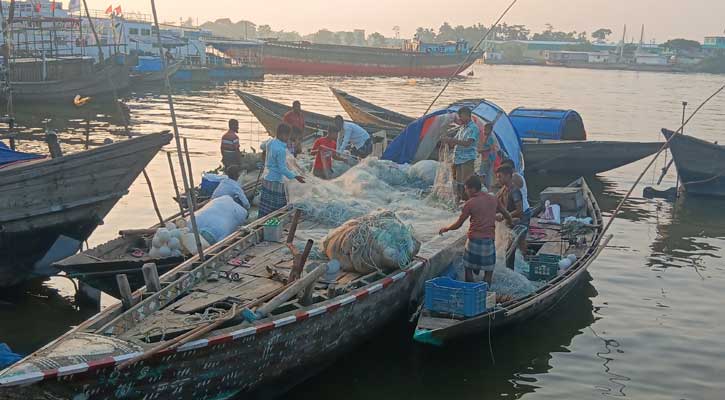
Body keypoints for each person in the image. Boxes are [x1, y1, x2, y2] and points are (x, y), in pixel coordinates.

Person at [439, 175, 512, 284]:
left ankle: (471, 293)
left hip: (473, 241)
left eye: (466, 189)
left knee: (468, 269)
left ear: (472, 189)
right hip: (488, 242)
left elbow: (458, 224)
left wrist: (446, 228)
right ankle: (486, 295)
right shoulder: (493, 199)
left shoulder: (469, 204)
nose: (466, 192)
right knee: (488, 272)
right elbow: (506, 214)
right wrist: (509, 223)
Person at [258, 124, 305, 218]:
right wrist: (295, 176)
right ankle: (276, 221)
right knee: (278, 205)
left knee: (266, 205)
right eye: (287, 136)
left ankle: (262, 221)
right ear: (282, 134)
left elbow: (265, 148)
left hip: (267, 178)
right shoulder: (281, 150)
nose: (288, 138)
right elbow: (282, 168)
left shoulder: (271, 142)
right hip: (276, 181)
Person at [440, 107, 479, 202]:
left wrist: (452, 140)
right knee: (458, 182)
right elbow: (455, 141)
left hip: (467, 159)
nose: (460, 119)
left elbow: (467, 143)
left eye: (461, 117)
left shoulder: (473, 128)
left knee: (467, 183)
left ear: (467, 115)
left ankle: (470, 202)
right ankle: (458, 201)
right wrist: (447, 140)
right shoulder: (462, 128)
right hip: (458, 158)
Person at [496, 163, 530, 255]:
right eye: (497, 177)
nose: (497, 179)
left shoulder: (514, 190)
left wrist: (504, 216)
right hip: (510, 219)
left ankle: (524, 258)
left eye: (500, 177)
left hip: (520, 220)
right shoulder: (502, 190)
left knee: (520, 242)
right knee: (509, 243)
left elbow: (519, 211)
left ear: (508, 176)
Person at [477, 122, 498, 190]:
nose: (484, 131)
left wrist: (481, 150)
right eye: (484, 129)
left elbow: (490, 148)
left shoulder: (490, 138)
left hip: (488, 157)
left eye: (486, 130)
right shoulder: (488, 137)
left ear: (490, 130)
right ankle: (487, 188)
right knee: (488, 173)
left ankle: (483, 187)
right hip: (487, 157)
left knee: (483, 172)